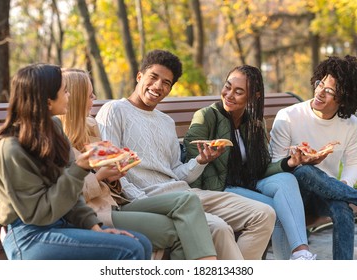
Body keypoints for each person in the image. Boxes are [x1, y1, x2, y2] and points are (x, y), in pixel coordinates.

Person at [95, 49, 276, 260]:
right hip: (148, 199)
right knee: (219, 228)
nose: (158, 86)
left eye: (166, 83)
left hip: (185, 194)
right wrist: (146, 203)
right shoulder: (114, 110)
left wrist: (201, 161)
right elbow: (113, 172)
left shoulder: (166, 121)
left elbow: (176, 174)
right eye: (153, 77)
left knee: (264, 214)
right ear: (139, 76)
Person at [0, 63, 152, 260]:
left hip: (61, 221)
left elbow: (71, 196)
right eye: (65, 91)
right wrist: (79, 169)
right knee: (130, 249)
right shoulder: (10, 149)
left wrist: (95, 228)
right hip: (31, 234)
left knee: (142, 243)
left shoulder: (53, 127)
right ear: (47, 102)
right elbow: (39, 214)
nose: (69, 96)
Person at [59, 68, 217, 260]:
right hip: (93, 212)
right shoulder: (56, 138)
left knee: (188, 200)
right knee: (181, 230)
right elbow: (67, 194)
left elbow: (104, 175)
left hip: (114, 202)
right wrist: (100, 176)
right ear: (74, 98)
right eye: (90, 94)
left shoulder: (89, 126)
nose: (94, 98)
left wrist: (114, 173)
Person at [183, 65, 316, 260]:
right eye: (227, 87)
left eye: (238, 92)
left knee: (287, 179)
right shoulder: (206, 117)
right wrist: (204, 159)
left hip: (250, 183)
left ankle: (301, 253)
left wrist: (291, 162)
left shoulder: (254, 123)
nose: (229, 94)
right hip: (220, 189)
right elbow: (191, 165)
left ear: (253, 97)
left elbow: (261, 169)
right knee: (277, 210)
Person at [269, 55, 357, 260]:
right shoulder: (288, 116)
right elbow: (273, 167)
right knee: (304, 170)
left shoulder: (349, 123)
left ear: (344, 98)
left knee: (343, 211)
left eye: (329, 91)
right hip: (292, 196)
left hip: (327, 194)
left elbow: (354, 162)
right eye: (320, 84)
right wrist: (296, 162)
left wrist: (343, 185)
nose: (319, 93)